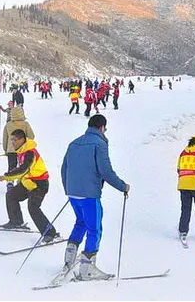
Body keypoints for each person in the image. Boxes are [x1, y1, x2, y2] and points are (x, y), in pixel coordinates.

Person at [60, 114, 130, 280]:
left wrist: (69, 188)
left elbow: (64, 169)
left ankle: (69, 259)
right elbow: (105, 171)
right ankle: (87, 269)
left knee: (81, 222)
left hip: (72, 192)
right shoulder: (99, 143)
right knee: (95, 228)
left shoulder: (74, 143)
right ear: (101, 127)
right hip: (89, 195)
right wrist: (122, 186)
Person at [0, 129, 58, 242]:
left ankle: (49, 233)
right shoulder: (22, 151)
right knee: (11, 195)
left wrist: (7, 176)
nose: (12, 142)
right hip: (28, 182)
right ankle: (16, 221)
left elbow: (23, 169)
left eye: (14, 140)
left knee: (33, 207)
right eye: (11, 140)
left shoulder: (30, 152)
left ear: (22, 139)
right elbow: (22, 171)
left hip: (39, 184)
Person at [2, 107, 35, 178]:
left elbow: (5, 138)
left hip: (11, 150)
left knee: (11, 167)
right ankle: (21, 182)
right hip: (23, 150)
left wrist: (5, 149)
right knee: (23, 168)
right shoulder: (26, 124)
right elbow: (31, 136)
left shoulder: (8, 125)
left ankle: (10, 182)